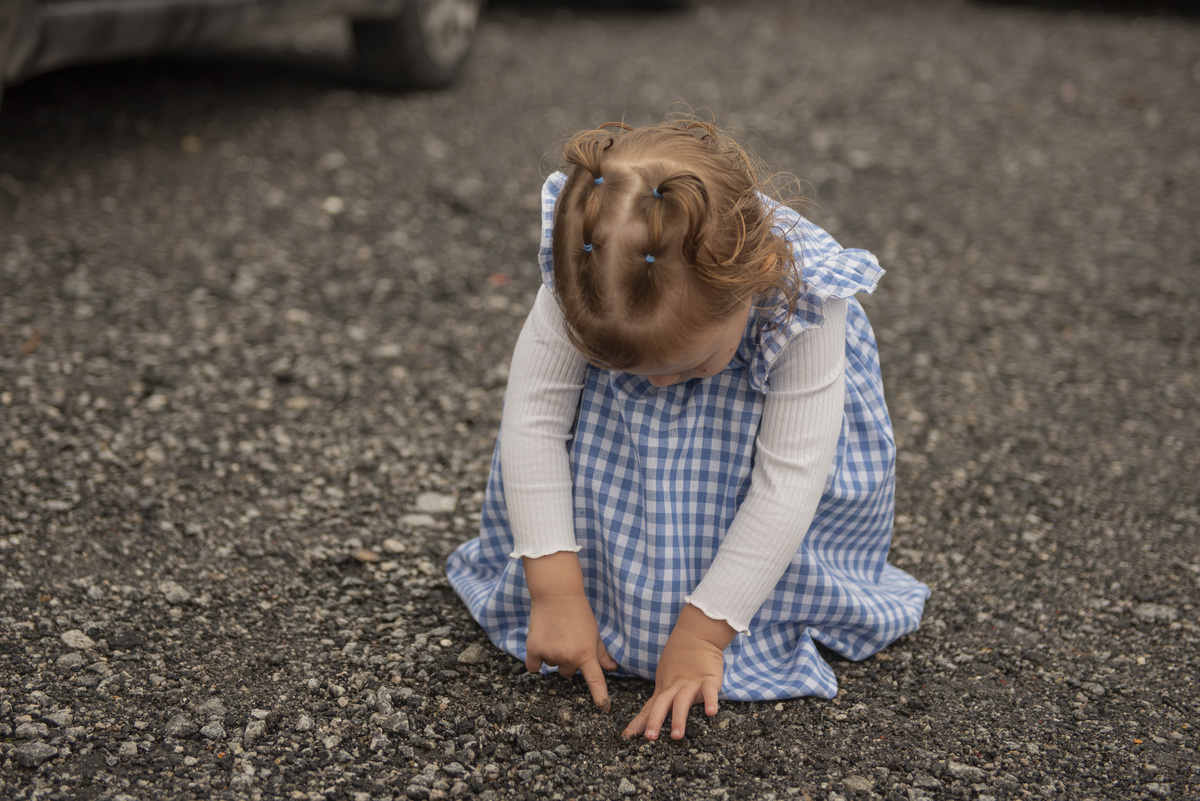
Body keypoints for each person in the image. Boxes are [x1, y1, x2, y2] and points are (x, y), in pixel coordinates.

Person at [447, 114, 929, 741]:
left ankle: (728, 606)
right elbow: (533, 422)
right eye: (625, 371)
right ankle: (605, 594)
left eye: (692, 365)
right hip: (619, 466)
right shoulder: (589, 270)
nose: (660, 387)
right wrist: (556, 595)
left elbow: (788, 482)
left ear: (754, 278)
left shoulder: (805, 300)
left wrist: (703, 638)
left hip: (755, 485)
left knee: (758, 557)